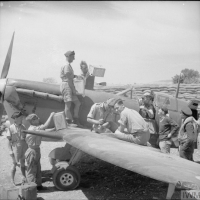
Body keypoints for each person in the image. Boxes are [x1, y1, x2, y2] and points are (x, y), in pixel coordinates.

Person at [25, 112, 55, 190]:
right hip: (32, 151)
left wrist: (54, 129)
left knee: (38, 168)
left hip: (36, 150)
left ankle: (38, 185)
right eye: (37, 119)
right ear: (33, 121)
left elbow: (45, 131)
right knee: (31, 171)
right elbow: (45, 126)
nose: (38, 120)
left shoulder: (35, 128)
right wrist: (51, 115)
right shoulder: (33, 129)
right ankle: (30, 189)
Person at [60, 50, 82, 127]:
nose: (74, 59)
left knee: (77, 103)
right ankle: (68, 121)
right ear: (68, 56)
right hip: (67, 86)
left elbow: (70, 76)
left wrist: (76, 76)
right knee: (68, 105)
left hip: (69, 84)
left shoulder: (68, 65)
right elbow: (69, 79)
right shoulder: (66, 66)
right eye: (73, 57)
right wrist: (73, 90)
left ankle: (75, 118)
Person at [6, 111, 28, 186]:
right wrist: (10, 151)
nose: (22, 119)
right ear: (15, 119)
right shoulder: (11, 128)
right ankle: (12, 181)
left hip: (23, 145)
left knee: (23, 163)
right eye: (20, 118)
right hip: (16, 147)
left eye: (22, 117)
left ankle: (24, 178)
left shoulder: (23, 126)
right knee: (14, 163)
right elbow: (9, 141)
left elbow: (26, 138)